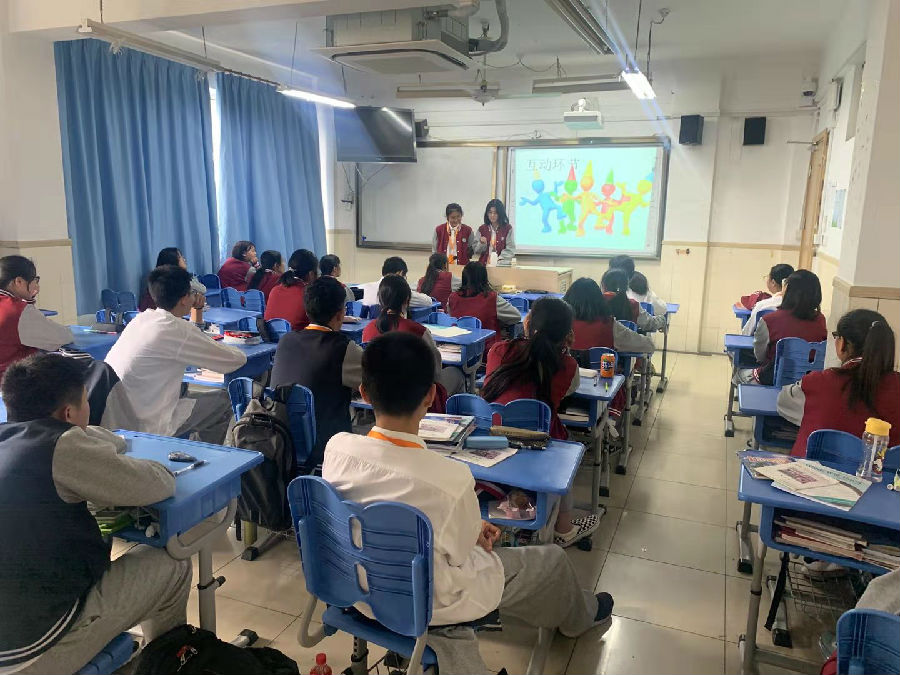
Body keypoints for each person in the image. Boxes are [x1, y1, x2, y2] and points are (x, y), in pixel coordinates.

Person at [322, 331, 613, 660]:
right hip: (427, 602)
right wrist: (471, 529)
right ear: (431, 395)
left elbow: (384, 513)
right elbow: (460, 555)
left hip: (356, 588)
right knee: (552, 561)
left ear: (363, 392)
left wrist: (469, 526)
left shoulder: (337, 450)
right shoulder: (449, 479)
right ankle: (581, 618)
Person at [0, 353, 191, 674]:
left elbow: (100, 440)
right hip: (26, 657)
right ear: (68, 412)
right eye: (86, 401)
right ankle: (170, 664)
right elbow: (158, 484)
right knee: (172, 564)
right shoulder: (61, 447)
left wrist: (81, 434)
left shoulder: (10, 437)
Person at [482, 297, 600, 547]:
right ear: (567, 335)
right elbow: (568, 390)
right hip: (538, 445)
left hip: (491, 441)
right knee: (567, 446)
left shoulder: (498, 350)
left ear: (527, 322)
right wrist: (565, 352)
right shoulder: (567, 365)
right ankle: (564, 528)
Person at [104, 265, 246, 443]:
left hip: (120, 418)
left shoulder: (142, 319)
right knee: (223, 401)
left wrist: (197, 311)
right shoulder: (176, 329)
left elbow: (188, 340)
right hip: (149, 423)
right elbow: (235, 360)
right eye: (192, 293)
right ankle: (202, 455)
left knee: (185, 390)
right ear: (185, 298)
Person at [778, 309, 900, 456]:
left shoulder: (818, 383)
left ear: (842, 343)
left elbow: (783, 402)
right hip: (884, 471)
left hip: (817, 470)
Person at [271, 276, 362, 469]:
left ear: (307, 310)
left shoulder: (285, 341)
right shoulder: (343, 348)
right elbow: (374, 382)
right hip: (327, 449)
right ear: (340, 313)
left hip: (280, 441)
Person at [362, 275, 466, 400]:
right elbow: (435, 370)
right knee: (456, 374)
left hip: (379, 396)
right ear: (407, 300)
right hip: (413, 398)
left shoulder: (368, 330)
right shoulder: (418, 331)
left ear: (380, 299)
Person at [735, 269, 827, 386]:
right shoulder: (821, 320)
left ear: (787, 291)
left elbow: (760, 356)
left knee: (739, 376)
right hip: (808, 381)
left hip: (773, 379)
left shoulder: (769, 320)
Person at [0, 255, 73, 379]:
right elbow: (61, 337)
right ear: (19, 282)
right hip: (10, 383)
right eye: (35, 280)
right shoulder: (16, 311)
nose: (37, 286)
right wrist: (28, 303)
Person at [564, 277, 655, 354]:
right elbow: (649, 346)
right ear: (599, 300)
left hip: (566, 369)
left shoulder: (561, 324)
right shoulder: (609, 325)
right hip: (601, 369)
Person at [447, 261, 521, 352]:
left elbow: (451, 316)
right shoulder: (492, 298)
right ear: (484, 278)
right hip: (487, 351)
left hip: (458, 349)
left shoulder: (452, 298)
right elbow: (516, 317)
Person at [264, 249, 319, 331]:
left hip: (271, 337)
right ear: (311, 274)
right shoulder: (308, 294)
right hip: (297, 337)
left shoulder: (275, 290)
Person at [139, 247, 207, 312]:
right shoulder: (170, 282)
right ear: (172, 260)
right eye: (180, 257)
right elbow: (202, 289)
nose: (184, 259)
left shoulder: (157, 278)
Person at [600, 268, 665, 332]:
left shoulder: (596, 306)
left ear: (603, 286)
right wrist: (662, 319)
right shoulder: (633, 305)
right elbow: (650, 324)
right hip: (629, 339)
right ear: (627, 287)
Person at [740, 263, 795, 336]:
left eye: (767, 277)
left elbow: (747, 333)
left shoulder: (762, 305)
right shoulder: (799, 306)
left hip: (765, 342)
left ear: (773, 282)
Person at [360, 256, 434, 308]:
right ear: (400, 273)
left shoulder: (367, 287)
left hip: (368, 324)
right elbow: (427, 302)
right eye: (405, 276)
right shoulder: (399, 289)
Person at [473, 199, 515, 266]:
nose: (492, 215)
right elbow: (476, 251)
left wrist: (498, 261)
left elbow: (510, 249)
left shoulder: (507, 228)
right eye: (490, 212)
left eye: (495, 213)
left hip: (501, 266)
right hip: (484, 266)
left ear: (500, 213)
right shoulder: (482, 229)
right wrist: (481, 243)